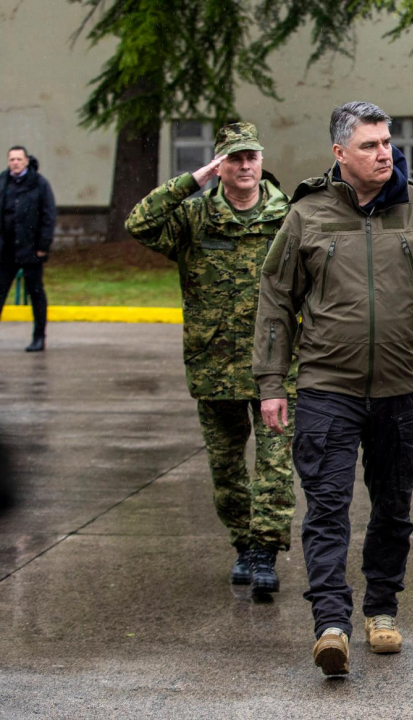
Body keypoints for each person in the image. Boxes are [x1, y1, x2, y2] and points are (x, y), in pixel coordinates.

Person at [253, 101, 413, 676]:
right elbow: (276, 298)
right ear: (339, 153)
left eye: (387, 143)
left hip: (398, 388)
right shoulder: (307, 213)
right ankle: (331, 624)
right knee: (327, 509)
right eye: (370, 146)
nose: (385, 154)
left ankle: (382, 610)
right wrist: (271, 382)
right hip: (327, 387)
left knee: (393, 509)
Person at [126, 122, 297, 593]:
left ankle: (265, 553)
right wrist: (191, 181)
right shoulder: (195, 217)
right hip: (214, 367)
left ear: (261, 161)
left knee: (275, 467)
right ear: (219, 165)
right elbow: (139, 224)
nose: (244, 166)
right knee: (226, 469)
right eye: (233, 158)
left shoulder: (287, 216)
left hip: (277, 366)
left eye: (251, 157)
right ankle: (243, 543)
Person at [0, 146, 56, 352]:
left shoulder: (39, 183)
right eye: (12, 159)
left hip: (31, 249)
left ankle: (39, 337)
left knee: (36, 293)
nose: (15, 162)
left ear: (26, 161)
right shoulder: (3, 181)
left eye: (19, 159)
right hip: (6, 250)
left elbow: (48, 216)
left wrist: (43, 246)